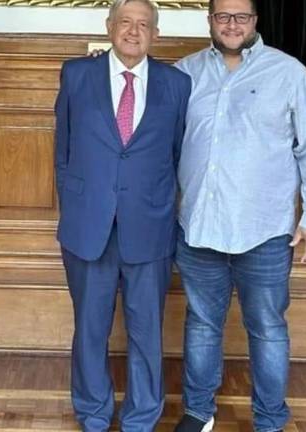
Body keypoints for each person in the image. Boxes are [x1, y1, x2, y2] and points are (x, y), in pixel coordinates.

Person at [172, 0, 306, 430]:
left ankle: (269, 420)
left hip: (264, 231)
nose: (232, 25)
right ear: (210, 20)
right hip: (198, 227)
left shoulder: (288, 73)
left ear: (255, 21)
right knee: (201, 325)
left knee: (267, 329)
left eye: (241, 17)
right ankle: (198, 412)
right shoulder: (184, 73)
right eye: (223, 16)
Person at [53, 0, 191, 429]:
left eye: (144, 25)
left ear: (156, 34)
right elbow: (63, 150)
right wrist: (77, 204)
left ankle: (141, 418)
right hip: (88, 226)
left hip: (149, 226)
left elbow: (176, 154)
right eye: (126, 23)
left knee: (147, 330)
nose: (134, 31)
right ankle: (93, 414)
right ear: (109, 26)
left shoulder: (177, 84)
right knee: (90, 329)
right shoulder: (77, 75)